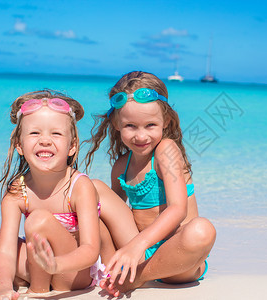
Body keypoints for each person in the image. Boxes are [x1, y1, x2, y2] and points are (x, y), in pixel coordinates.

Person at [84, 71, 216, 296]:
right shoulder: (121, 166)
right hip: (138, 253)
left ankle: (136, 278)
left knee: (202, 230)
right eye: (131, 126)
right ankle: (110, 270)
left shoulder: (167, 151)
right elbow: (109, 215)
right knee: (92, 188)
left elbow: (177, 209)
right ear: (116, 123)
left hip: (178, 257)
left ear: (166, 121)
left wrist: (137, 246)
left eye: (150, 125)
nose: (141, 136)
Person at [0, 90, 101, 299]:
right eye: (35, 133)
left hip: (73, 273)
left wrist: (55, 265)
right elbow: (6, 251)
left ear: (72, 146)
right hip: (39, 262)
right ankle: (19, 281)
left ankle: (38, 289)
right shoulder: (17, 191)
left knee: (38, 219)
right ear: (19, 145)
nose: (45, 140)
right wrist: (3, 288)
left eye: (56, 133)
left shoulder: (79, 186)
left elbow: (90, 250)